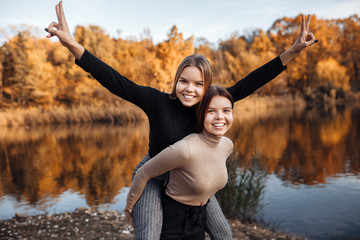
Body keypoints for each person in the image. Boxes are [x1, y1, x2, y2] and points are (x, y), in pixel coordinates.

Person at [46, 1, 317, 239]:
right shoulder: (157, 101)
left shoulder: (210, 105)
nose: (190, 89)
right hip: (154, 176)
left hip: (189, 180)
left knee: (224, 233)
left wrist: (293, 51)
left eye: (198, 84)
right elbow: (115, 81)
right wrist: (72, 45)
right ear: (176, 81)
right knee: (150, 235)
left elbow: (252, 81)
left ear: (207, 86)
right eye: (184, 81)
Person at [125, 86, 234, 239]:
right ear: (200, 114)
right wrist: (129, 207)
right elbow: (144, 173)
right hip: (174, 220)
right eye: (211, 111)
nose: (220, 117)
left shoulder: (227, 145)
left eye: (226, 110)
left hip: (198, 217)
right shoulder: (185, 149)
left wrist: (280, 63)